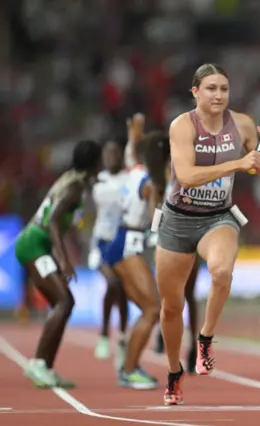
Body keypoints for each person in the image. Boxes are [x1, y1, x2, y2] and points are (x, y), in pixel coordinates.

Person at [156, 63, 260, 405]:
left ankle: (205, 339)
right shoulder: (182, 125)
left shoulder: (240, 124)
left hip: (217, 218)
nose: (218, 95)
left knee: (222, 272)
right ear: (195, 92)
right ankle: (173, 372)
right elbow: (186, 176)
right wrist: (236, 164)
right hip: (177, 219)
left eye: (223, 88)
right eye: (211, 88)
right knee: (170, 307)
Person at [15, 139, 104, 389]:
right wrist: (64, 258)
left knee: (64, 303)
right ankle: (39, 364)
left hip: (39, 244)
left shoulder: (75, 180)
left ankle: (46, 366)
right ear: (95, 163)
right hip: (33, 244)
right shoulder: (74, 187)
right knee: (64, 302)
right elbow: (53, 220)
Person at [98, 131, 168, 390]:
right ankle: (129, 369)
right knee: (152, 309)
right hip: (129, 243)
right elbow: (152, 220)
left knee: (149, 308)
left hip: (122, 241)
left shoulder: (135, 169)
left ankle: (129, 366)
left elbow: (131, 152)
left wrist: (134, 130)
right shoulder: (151, 182)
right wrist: (162, 210)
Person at [90, 139, 129, 370]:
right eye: (107, 154)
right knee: (113, 283)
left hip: (122, 241)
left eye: (114, 153)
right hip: (101, 241)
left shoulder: (129, 179)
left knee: (122, 291)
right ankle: (105, 333)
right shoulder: (98, 180)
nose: (111, 157)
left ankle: (122, 338)